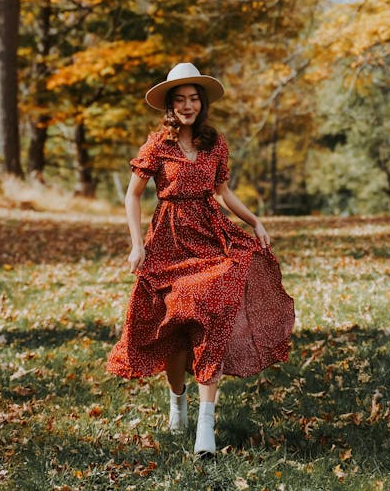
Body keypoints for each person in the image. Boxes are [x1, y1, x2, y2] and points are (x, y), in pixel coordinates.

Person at [107, 62, 295, 456]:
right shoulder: (157, 145)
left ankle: (205, 427)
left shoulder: (215, 143)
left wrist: (255, 220)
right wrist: (136, 244)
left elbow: (224, 192)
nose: (188, 106)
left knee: (212, 317)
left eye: (194, 99)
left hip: (210, 237)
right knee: (175, 330)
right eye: (180, 100)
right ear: (170, 106)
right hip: (169, 241)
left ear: (202, 103)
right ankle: (178, 402)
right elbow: (132, 195)